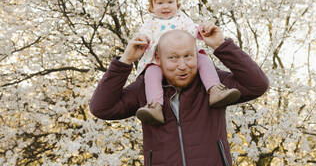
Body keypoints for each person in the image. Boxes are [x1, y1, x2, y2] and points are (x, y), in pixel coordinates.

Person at [90, 25, 270, 166]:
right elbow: (101, 107)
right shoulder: (145, 88)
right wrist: (125, 61)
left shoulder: (212, 83)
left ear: (198, 56)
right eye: (173, 58)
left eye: (188, 56)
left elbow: (257, 84)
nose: (182, 65)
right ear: (158, 59)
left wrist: (221, 45)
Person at [132, 0, 240, 125]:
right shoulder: (150, 23)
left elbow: (193, 29)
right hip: (158, 61)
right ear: (151, 7)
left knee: (203, 59)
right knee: (151, 74)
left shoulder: (181, 18)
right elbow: (143, 35)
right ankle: (155, 106)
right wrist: (142, 41)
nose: (165, 6)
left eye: (170, 2)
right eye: (160, 3)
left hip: (186, 55)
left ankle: (215, 89)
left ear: (178, 4)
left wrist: (204, 30)